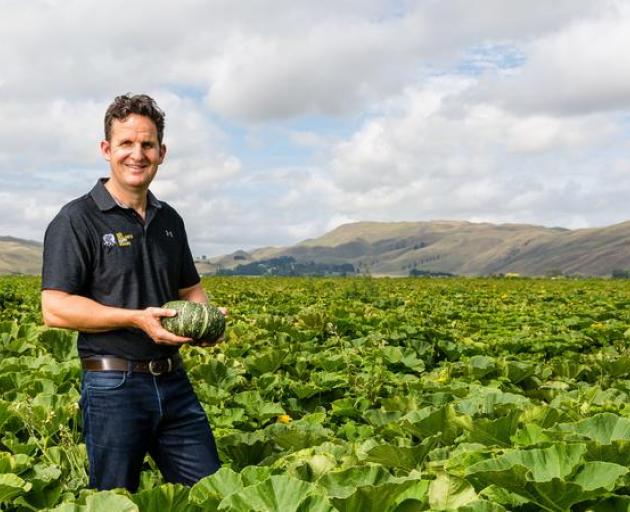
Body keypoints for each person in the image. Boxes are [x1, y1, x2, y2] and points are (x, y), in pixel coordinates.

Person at [41, 93, 222, 491]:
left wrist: (206, 323)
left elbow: (191, 289)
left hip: (174, 382)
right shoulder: (76, 219)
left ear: (162, 152)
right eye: (126, 143)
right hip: (113, 386)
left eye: (147, 144)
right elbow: (55, 308)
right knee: (114, 498)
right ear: (107, 149)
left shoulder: (169, 219)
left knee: (213, 492)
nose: (137, 154)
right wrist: (136, 319)